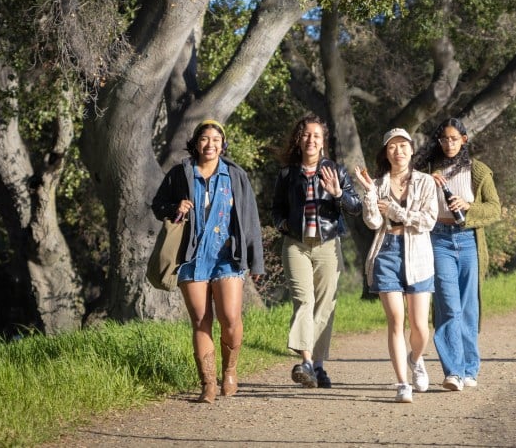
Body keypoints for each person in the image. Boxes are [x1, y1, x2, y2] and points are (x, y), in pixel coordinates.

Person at [152, 119, 263, 402]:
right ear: (196, 143)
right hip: (192, 256)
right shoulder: (181, 173)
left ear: (222, 144)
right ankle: (208, 384)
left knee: (230, 317)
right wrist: (176, 207)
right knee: (201, 320)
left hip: (228, 256)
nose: (210, 144)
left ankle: (230, 371)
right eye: (204, 138)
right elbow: (158, 205)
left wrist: (256, 261)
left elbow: (250, 219)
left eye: (216, 139)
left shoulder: (236, 175)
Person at [272, 115, 362, 388]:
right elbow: (276, 209)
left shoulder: (336, 171)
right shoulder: (287, 174)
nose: (311, 140)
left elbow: (356, 206)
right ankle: (307, 362)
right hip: (296, 245)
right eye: (306, 135)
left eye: (316, 136)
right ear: (299, 140)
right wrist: (283, 224)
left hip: (327, 245)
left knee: (325, 305)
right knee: (304, 300)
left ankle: (318, 366)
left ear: (323, 142)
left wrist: (337, 193)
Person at [414, 118, 501, 391]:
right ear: (438, 142)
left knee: (468, 307)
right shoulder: (428, 170)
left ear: (464, 139)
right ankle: (453, 371)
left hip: (468, 241)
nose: (449, 143)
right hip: (438, 239)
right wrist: (425, 180)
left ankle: (469, 368)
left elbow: (495, 209)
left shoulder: (478, 171)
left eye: (454, 138)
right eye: (444, 139)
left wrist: (469, 206)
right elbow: (403, 185)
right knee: (448, 306)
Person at [353, 128, 438, 403]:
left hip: (418, 255)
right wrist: (368, 194)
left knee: (420, 326)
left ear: (412, 150)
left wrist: (397, 212)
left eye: (403, 146)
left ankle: (416, 358)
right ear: (385, 152)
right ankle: (403, 383)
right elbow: (374, 223)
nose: (398, 151)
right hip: (386, 253)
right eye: (392, 147)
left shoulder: (425, 182)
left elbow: (428, 220)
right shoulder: (378, 184)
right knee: (395, 321)